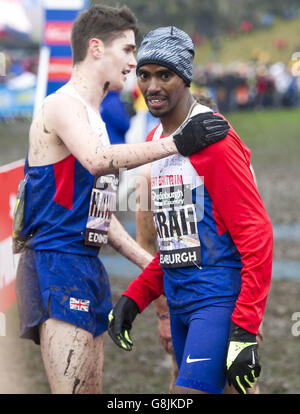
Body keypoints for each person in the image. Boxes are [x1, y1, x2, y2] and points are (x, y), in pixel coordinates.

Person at [14, 5, 230, 394]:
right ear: (96, 48)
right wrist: (176, 143)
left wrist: (154, 270)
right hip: (55, 265)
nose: (134, 62)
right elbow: (98, 161)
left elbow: (99, 220)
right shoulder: (61, 104)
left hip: (87, 267)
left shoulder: (94, 118)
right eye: (128, 50)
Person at [108, 26, 273, 395]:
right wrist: (135, 299)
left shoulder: (213, 139)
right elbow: (174, 245)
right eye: (145, 75)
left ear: (185, 78)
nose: (152, 86)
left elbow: (256, 234)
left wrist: (246, 325)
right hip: (183, 306)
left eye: (164, 75)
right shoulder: (155, 143)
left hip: (216, 304)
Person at [135, 92, 263, 394]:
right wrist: (163, 315)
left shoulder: (236, 164)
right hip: (182, 295)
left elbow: (253, 244)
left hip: (224, 294)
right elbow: (147, 245)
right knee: (184, 375)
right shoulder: (149, 173)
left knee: (241, 380)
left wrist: (252, 319)